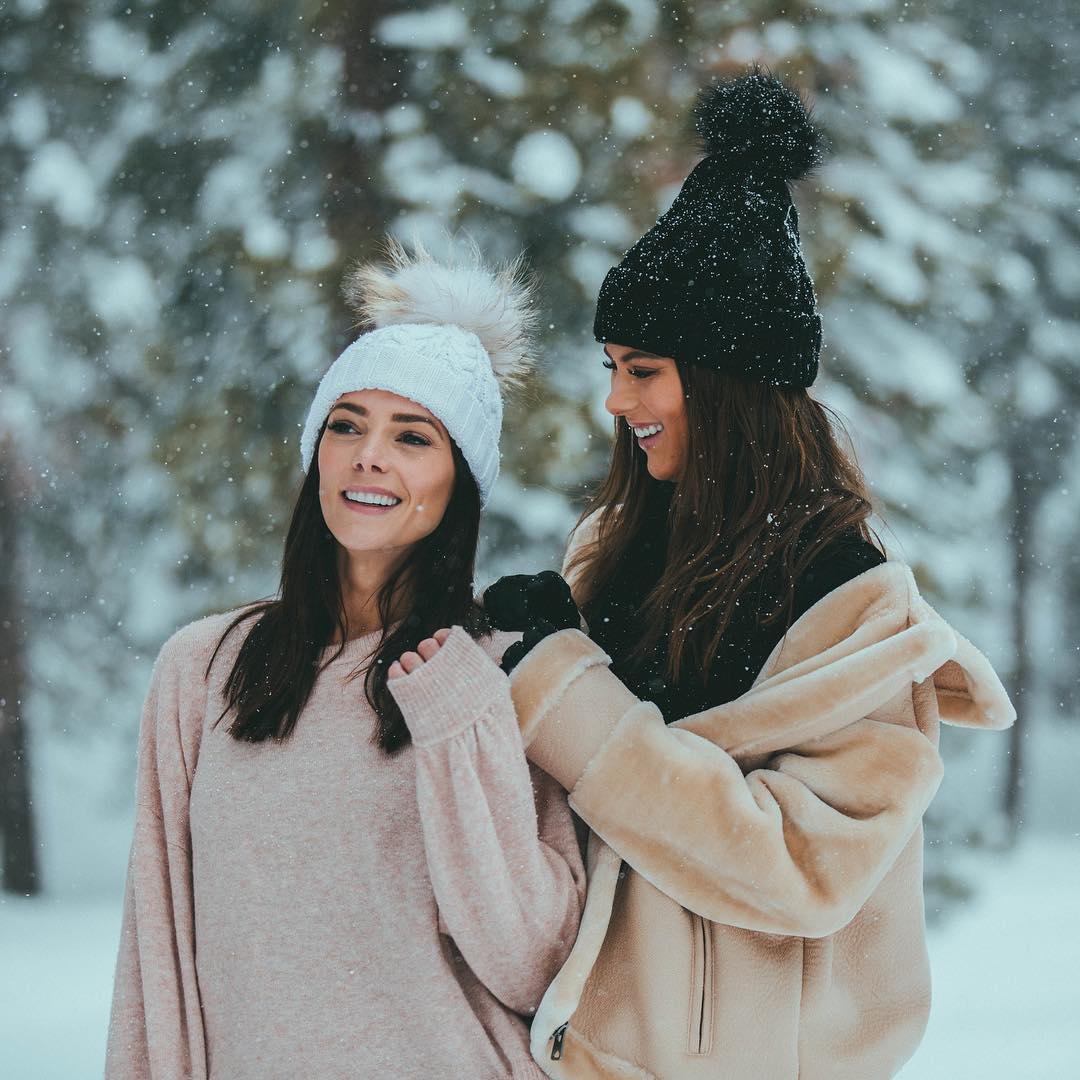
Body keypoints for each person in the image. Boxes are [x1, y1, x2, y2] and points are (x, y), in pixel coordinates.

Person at [483, 70, 1015, 1079]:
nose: (615, 402)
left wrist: (561, 687)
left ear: (724, 378)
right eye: (610, 368)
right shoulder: (611, 554)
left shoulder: (851, 607)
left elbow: (797, 868)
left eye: (641, 369)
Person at [105, 238, 586, 1080]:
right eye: (347, 425)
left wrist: (456, 717)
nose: (370, 455)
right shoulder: (201, 671)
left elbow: (537, 963)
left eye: (413, 437)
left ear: (459, 482)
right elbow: (158, 960)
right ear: (316, 453)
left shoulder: (502, 673)